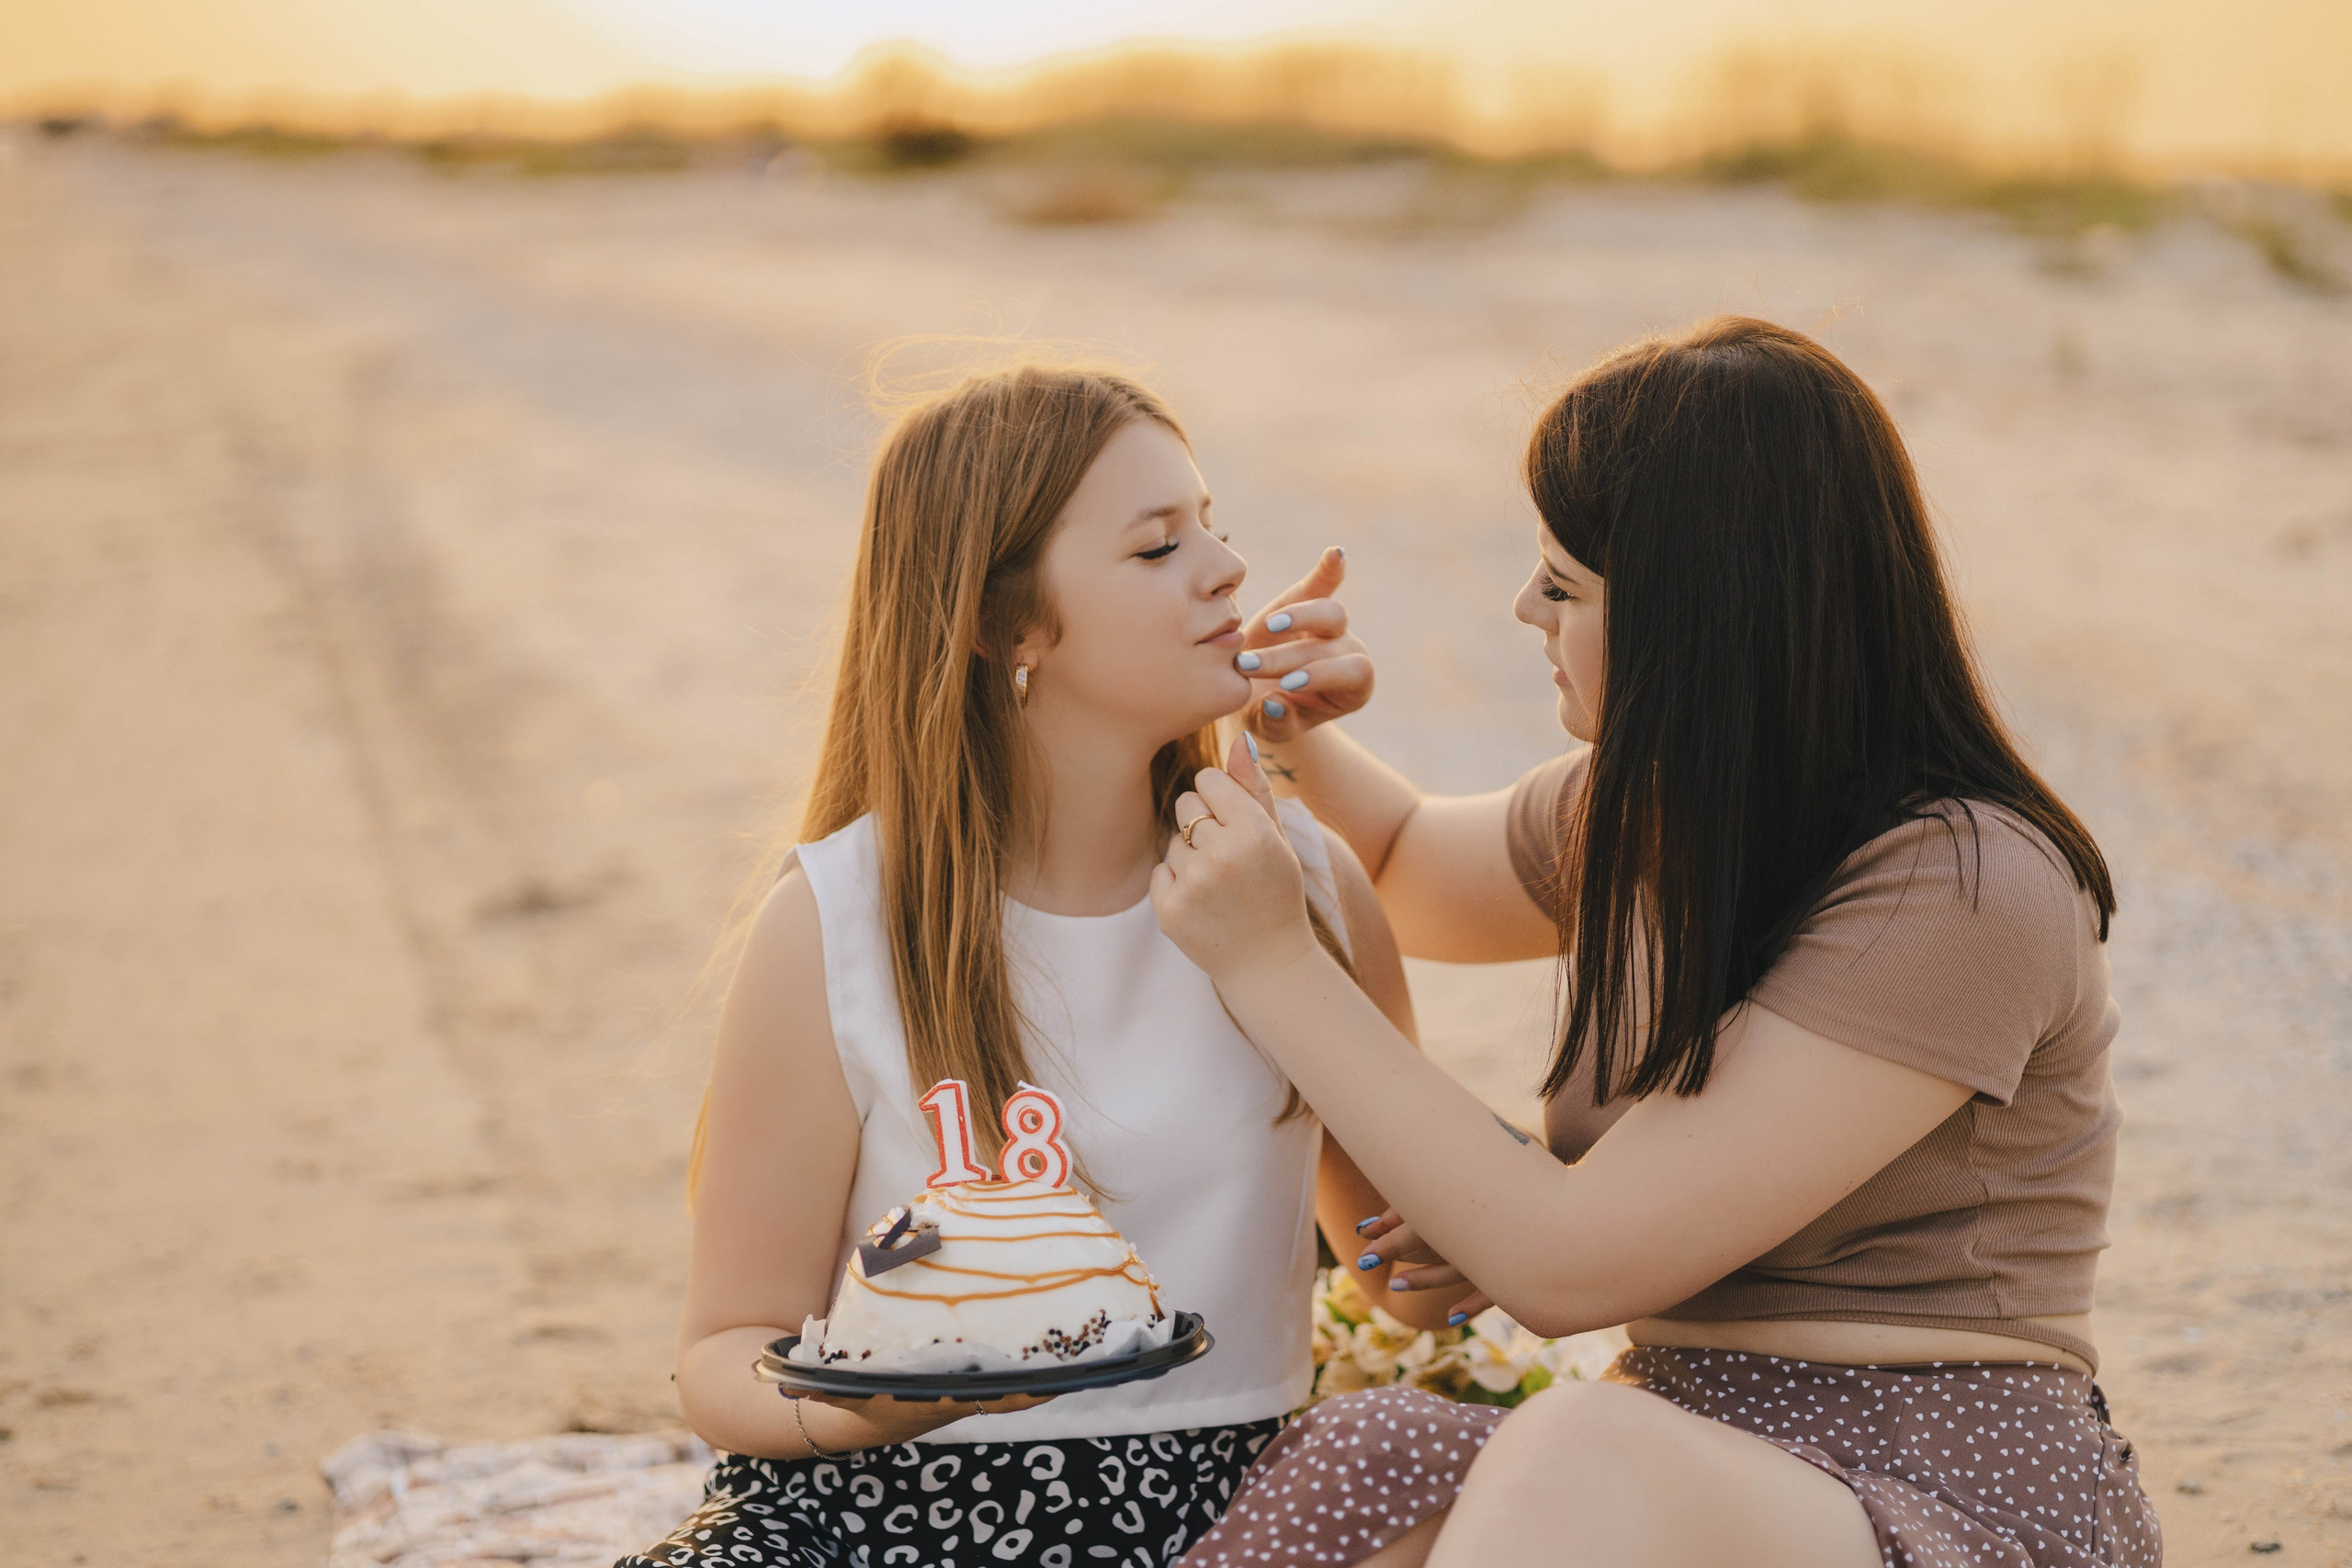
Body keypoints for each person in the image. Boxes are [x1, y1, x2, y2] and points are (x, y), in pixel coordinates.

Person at [1148, 317, 2162, 1568]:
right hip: (1670, 1446)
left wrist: (1270, 968)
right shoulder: (1644, 813)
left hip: (1940, 1475)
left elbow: (1571, 1268)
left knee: (1580, 1449)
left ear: (1705, 621)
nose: (1524, 608)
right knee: (1372, 1454)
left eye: (1563, 585)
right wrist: (1287, 727)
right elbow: (1405, 866)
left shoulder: (1962, 884)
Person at [617, 366, 1443, 1568]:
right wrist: (859, 1407)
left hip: (1226, 1515)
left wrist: (1449, 1254)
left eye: (1214, 529)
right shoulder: (838, 924)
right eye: (1160, 547)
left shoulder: (1303, 891)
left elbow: (1400, 1280)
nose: (1223, 570)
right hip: (885, 1509)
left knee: (1442, 1463)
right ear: (1006, 628)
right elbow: (725, 1348)